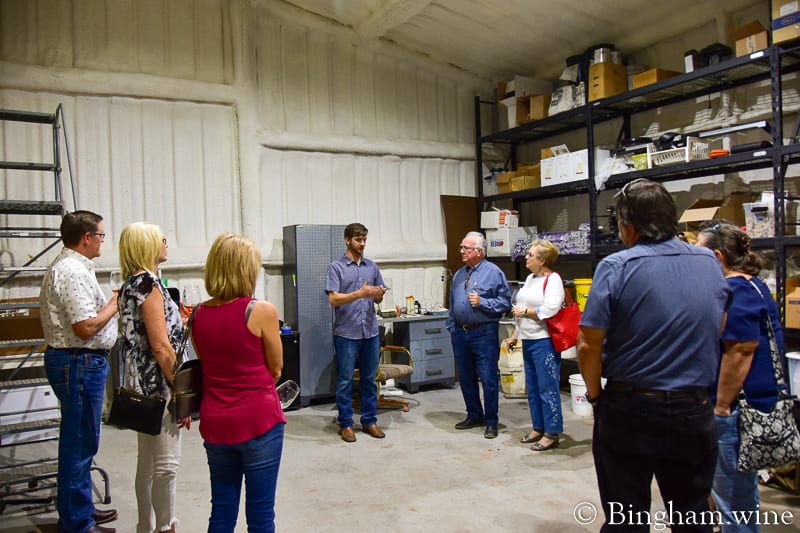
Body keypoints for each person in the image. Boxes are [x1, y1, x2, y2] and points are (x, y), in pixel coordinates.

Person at [577, 179, 730, 532]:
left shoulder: (617, 266)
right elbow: (717, 322)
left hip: (630, 408)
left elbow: (588, 344)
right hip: (694, 408)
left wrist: (595, 396)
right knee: (692, 516)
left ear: (629, 227)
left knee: (625, 518)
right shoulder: (709, 261)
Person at [190, 233, 285, 532]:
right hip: (258, 421)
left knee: (221, 511)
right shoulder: (261, 311)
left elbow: (208, 362)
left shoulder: (197, 315)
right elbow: (277, 368)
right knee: (260, 515)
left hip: (216, 422)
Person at [697, 222, 783, 533]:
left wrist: (720, 405)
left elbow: (741, 351)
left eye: (699, 251)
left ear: (717, 256)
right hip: (750, 405)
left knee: (734, 501)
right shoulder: (755, 284)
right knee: (736, 495)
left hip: (735, 410)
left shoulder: (734, 290)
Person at [39, 210, 119, 533]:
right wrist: (114, 304)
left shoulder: (74, 267)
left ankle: (81, 508)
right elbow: (85, 327)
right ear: (86, 238)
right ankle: (76, 523)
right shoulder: (71, 270)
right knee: (79, 443)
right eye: (100, 235)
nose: (102, 240)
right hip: (78, 363)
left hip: (80, 363)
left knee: (82, 441)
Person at [117, 222, 191, 533]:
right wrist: (182, 391)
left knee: (146, 462)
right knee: (166, 466)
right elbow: (161, 346)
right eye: (161, 239)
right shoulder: (148, 285)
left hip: (139, 382)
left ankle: (145, 526)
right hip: (159, 386)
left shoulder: (131, 283)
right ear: (147, 246)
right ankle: (166, 526)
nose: (166, 244)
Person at [325, 223, 387, 443]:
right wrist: (360, 293)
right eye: (358, 240)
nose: (362, 244)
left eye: (364, 240)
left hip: (369, 331)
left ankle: (369, 420)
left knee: (370, 380)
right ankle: (346, 424)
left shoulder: (372, 267)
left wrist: (378, 295)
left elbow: (378, 296)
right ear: (347, 240)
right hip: (346, 334)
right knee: (345, 381)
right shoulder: (336, 267)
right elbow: (333, 299)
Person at [447, 231, 512, 439]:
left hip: (483, 332)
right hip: (460, 332)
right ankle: (474, 414)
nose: (462, 251)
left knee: (488, 378)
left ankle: (491, 421)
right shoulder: (458, 274)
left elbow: (505, 303)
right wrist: (452, 326)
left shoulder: (494, 273)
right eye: (462, 247)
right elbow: (452, 303)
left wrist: (482, 302)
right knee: (466, 378)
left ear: (479, 251)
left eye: (466, 248)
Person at [507, 239, 564, 451]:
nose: (526, 257)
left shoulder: (553, 279)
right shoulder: (530, 278)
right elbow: (521, 306)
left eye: (530, 255)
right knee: (532, 387)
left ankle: (552, 432)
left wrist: (526, 313)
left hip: (544, 341)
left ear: (542, 260)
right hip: (528, 339)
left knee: (547, 388)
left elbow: (551, 309)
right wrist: (515, 333)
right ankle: (538, 427)